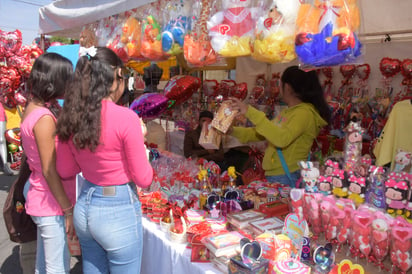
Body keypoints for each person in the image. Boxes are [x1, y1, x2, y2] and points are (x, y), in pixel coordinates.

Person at [56, 47, 153, 274]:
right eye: (124, 77)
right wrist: (141, 140)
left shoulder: (72, 115)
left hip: (86, 206)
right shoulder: (126, 117)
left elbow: (65, 168)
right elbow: (144, 177)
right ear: (115, 78)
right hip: (117, 210)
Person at [20, 52, 76, 273]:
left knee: (44, 265)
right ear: (56, 82)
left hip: (42, 194)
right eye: (67, 79)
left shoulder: (35, 108)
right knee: (56, 267)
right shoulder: (44, 118)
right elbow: (49, 169)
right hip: (49, 200)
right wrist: (67, 210)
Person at [229, 65, 331, 187]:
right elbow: (260, 133)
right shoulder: (289, 112)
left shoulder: (304, 113)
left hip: (286, 176)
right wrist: (231, 131)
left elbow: (281, 139)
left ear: (287, 87)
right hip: (277, 174)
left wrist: (249, 112)